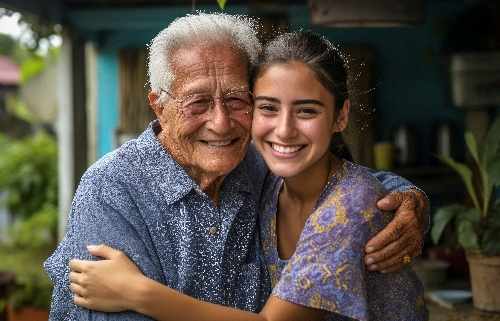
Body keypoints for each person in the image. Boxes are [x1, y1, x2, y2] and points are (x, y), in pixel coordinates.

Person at [45, 12, 428, 320]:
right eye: (197, 102)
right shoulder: (113, 189)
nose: (221, 122)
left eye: (236, 99)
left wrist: (409, 198)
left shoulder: (256, 163)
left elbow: (349, 186)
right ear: (159, 107)